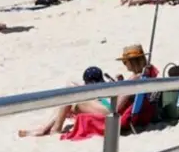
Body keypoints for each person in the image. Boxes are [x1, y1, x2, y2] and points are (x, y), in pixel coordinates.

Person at [18, 45, 158, 137]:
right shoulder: (144, 75)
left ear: (132, 61)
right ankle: (45, 127)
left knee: (72, 92)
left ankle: (53, 129)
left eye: (125, 62)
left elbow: (115, 107)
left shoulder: (135, 79)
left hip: (109, 109)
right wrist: (120, 84)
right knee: (72, 86)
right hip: (111, 105)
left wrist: (118, 88)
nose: (124, 64)